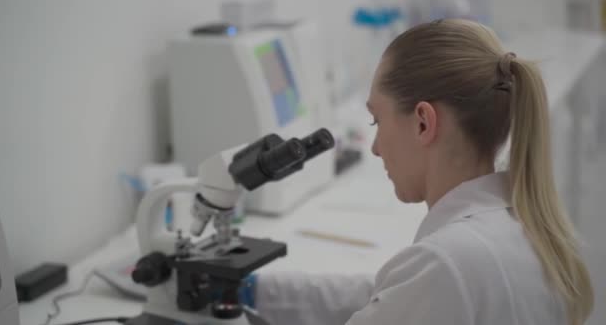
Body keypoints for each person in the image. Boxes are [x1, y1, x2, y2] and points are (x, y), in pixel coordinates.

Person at [246, 19, 594, 325]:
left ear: (424, 123)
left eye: (376, 120)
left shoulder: (447, 264)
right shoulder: (517, 228)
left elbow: (418, 290)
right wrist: (259, 293)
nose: (375, 147)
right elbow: (390, 296)